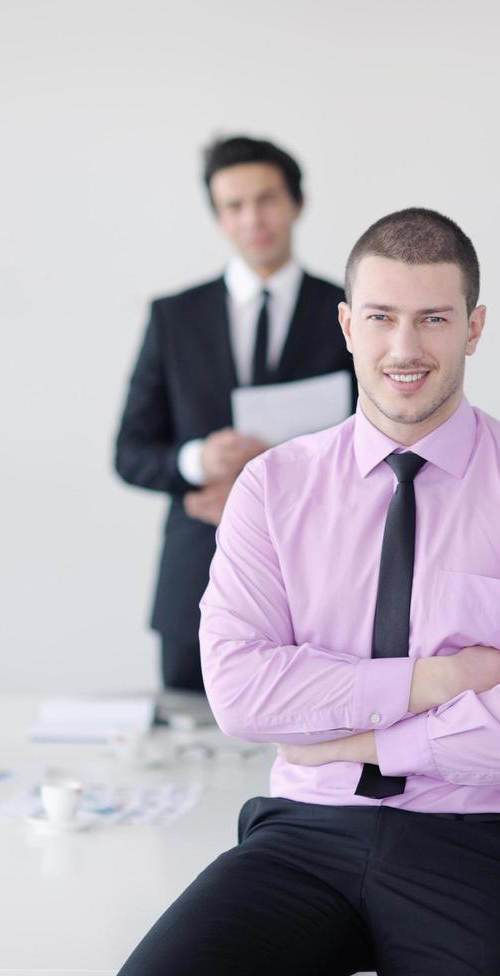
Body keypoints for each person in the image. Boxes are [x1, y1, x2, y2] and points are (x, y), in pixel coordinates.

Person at [117, 208, 500, 976]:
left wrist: (361, 740)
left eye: (434, 319)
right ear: (348, 325)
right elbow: (242, 693)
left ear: (474, 328)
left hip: (478, 843)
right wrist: (441, 681)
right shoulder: (272, 488)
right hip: (303, 834)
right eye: (381, 317)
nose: (405, 348)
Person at [113, 135, 354, 692]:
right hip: (197, 579)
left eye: (266, 199)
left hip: (322, 584)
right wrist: (199, 460)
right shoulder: (173, 317)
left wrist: (274, 493)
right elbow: (129, 452)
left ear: (295, 202)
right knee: (187, 755)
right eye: (234, 206)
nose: (253, 219)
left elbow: (385, 445)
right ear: (219, 217)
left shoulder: (351, 310)